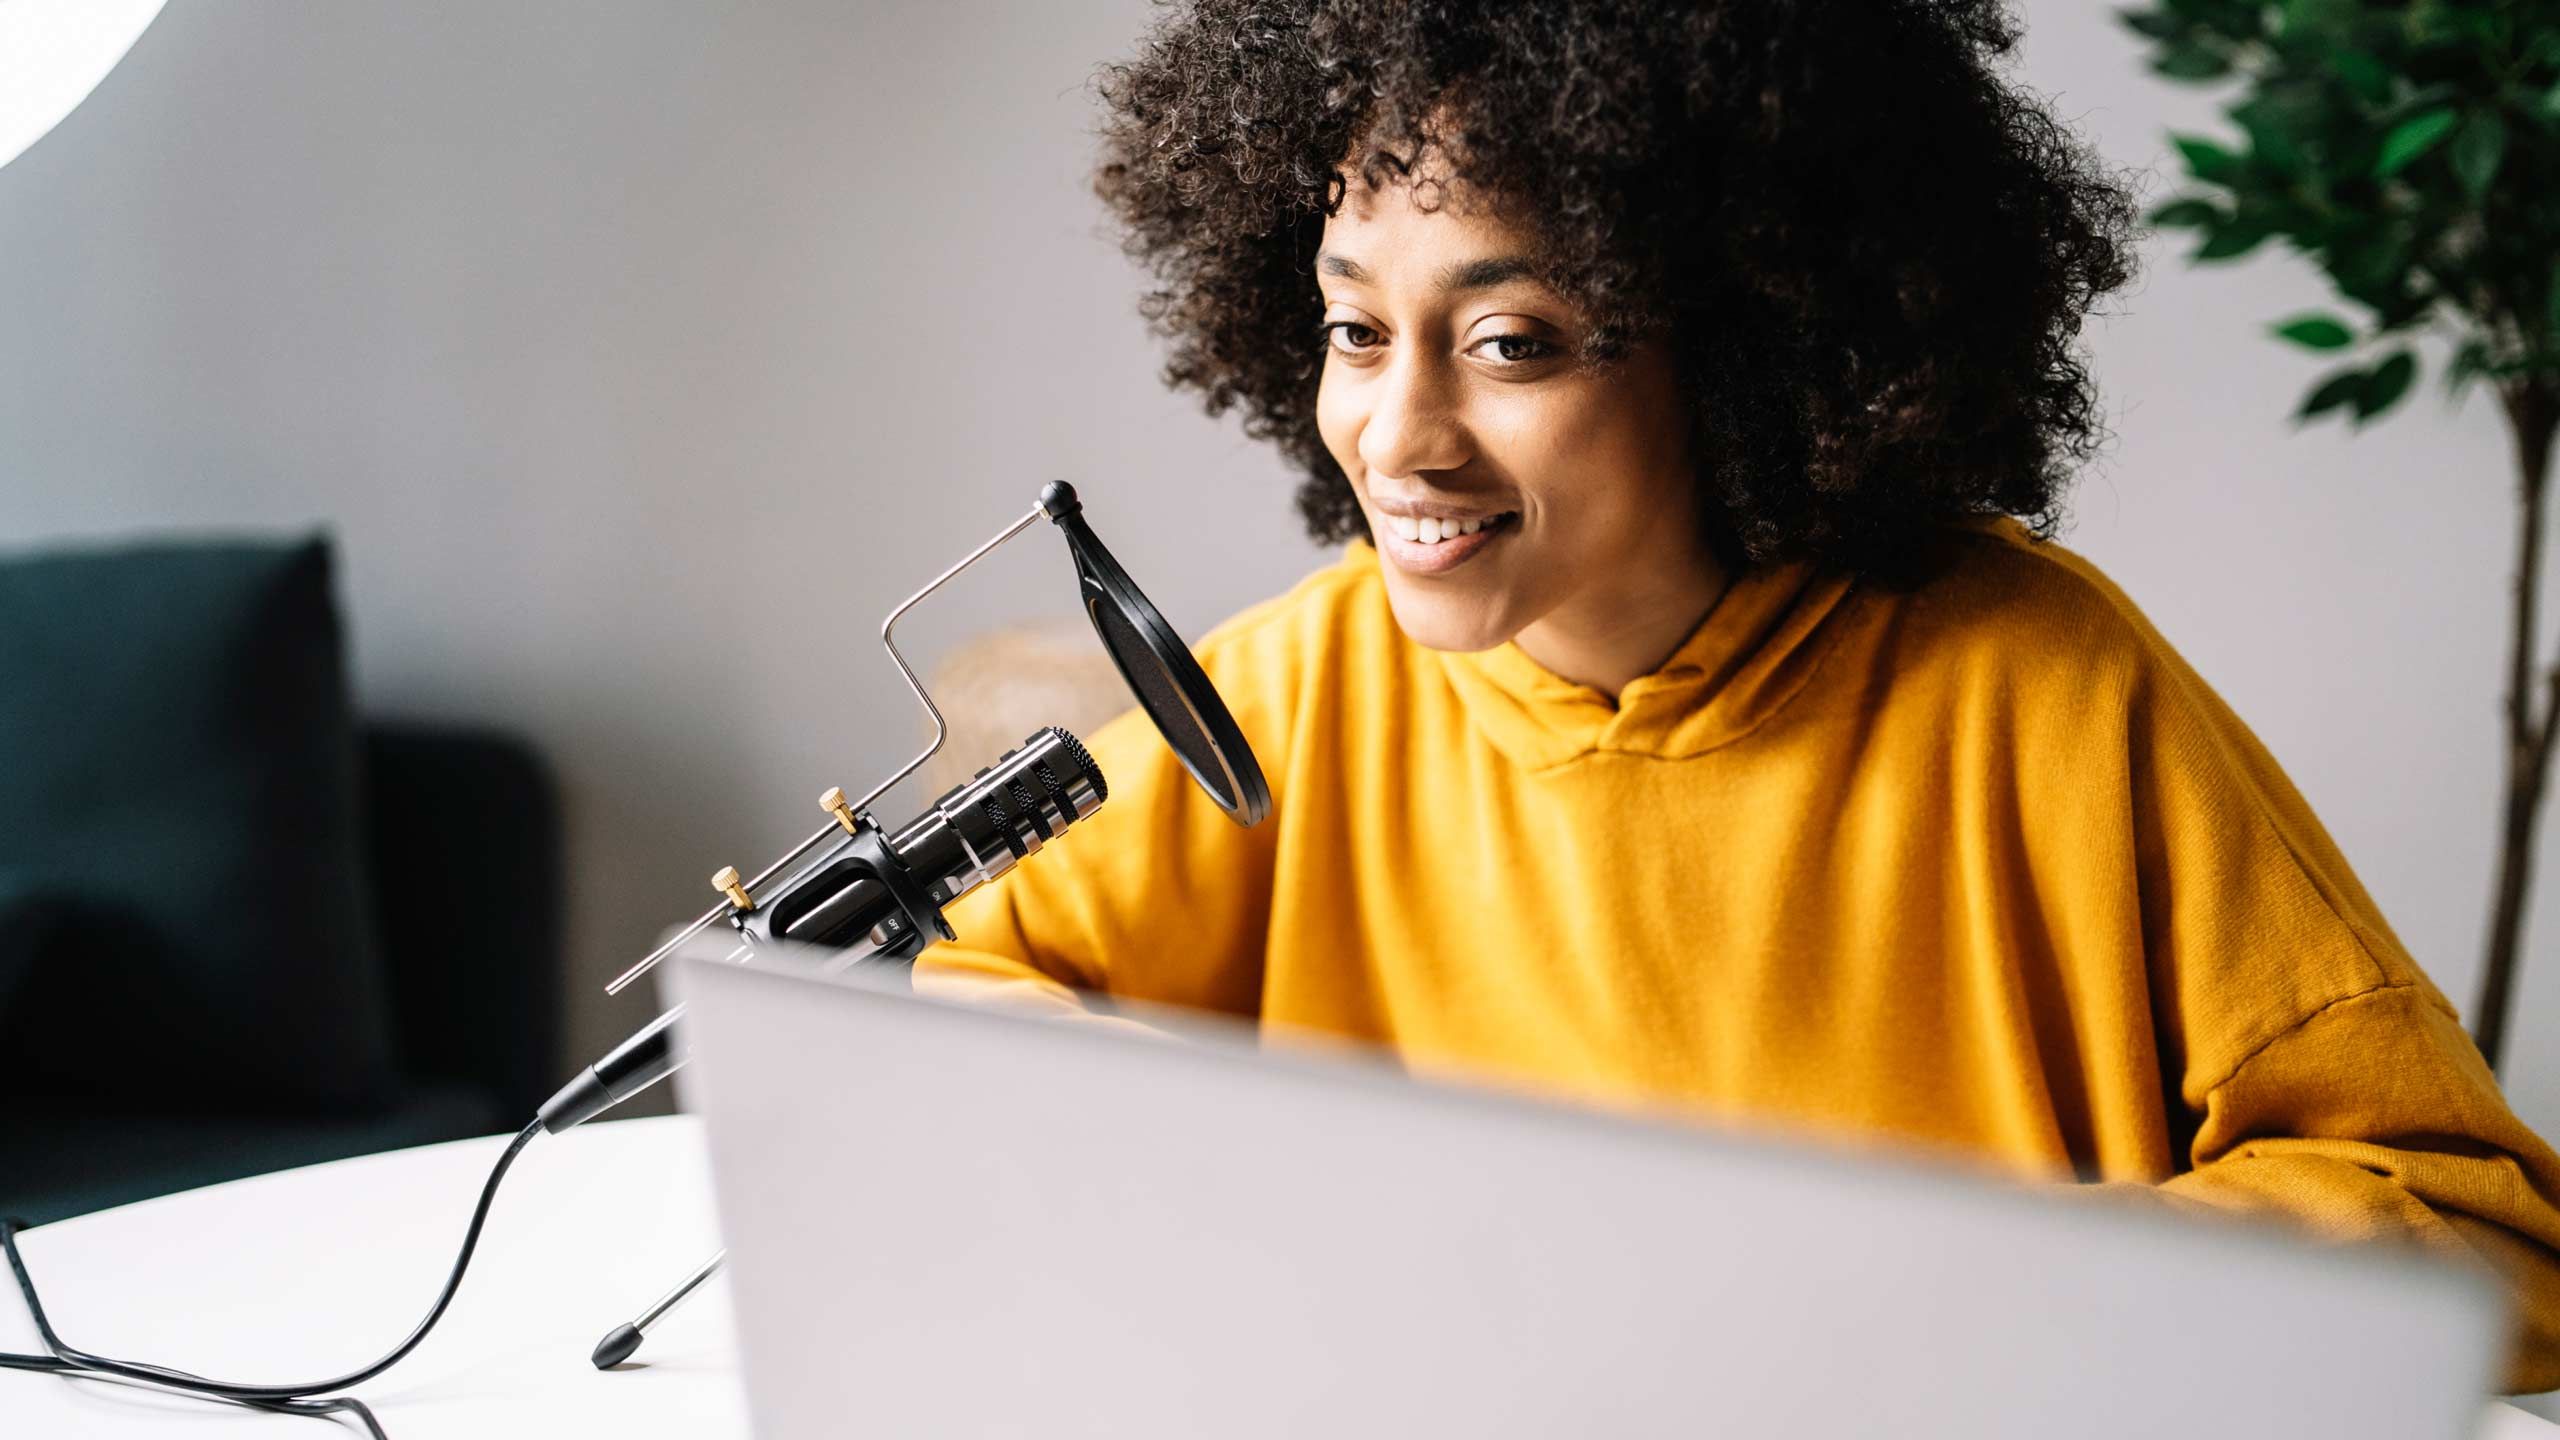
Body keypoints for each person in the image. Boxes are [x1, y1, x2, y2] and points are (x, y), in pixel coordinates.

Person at [915, 0, 2560, 1392]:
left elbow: (2481, 1239)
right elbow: (958, 1007)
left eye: (1512, 342)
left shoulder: (2039, 683)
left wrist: (1973, 1298)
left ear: (1750, 342)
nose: (1397, 435)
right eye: (1355, 329)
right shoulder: (1301, 681)